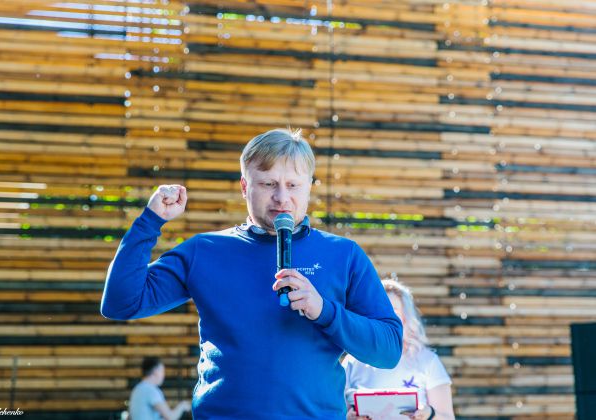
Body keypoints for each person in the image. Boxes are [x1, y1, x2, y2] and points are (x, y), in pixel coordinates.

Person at [101, 128, 403, 419]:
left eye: (293, 185)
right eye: (269, 184)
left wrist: (324, 310)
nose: (282, 197)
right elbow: (121, 303)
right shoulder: (204, 251)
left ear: (309, 186)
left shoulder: (343, 254)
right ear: (245, 187)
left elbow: (389, 350)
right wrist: (150, 221)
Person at [343, 276, 454, 420]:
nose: (385, 318)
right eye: (378, 311)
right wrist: (348, 417)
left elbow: (448, 417)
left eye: (393, 312)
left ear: (406, 317)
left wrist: (429, 414)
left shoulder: (428, 361)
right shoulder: (352, 361)